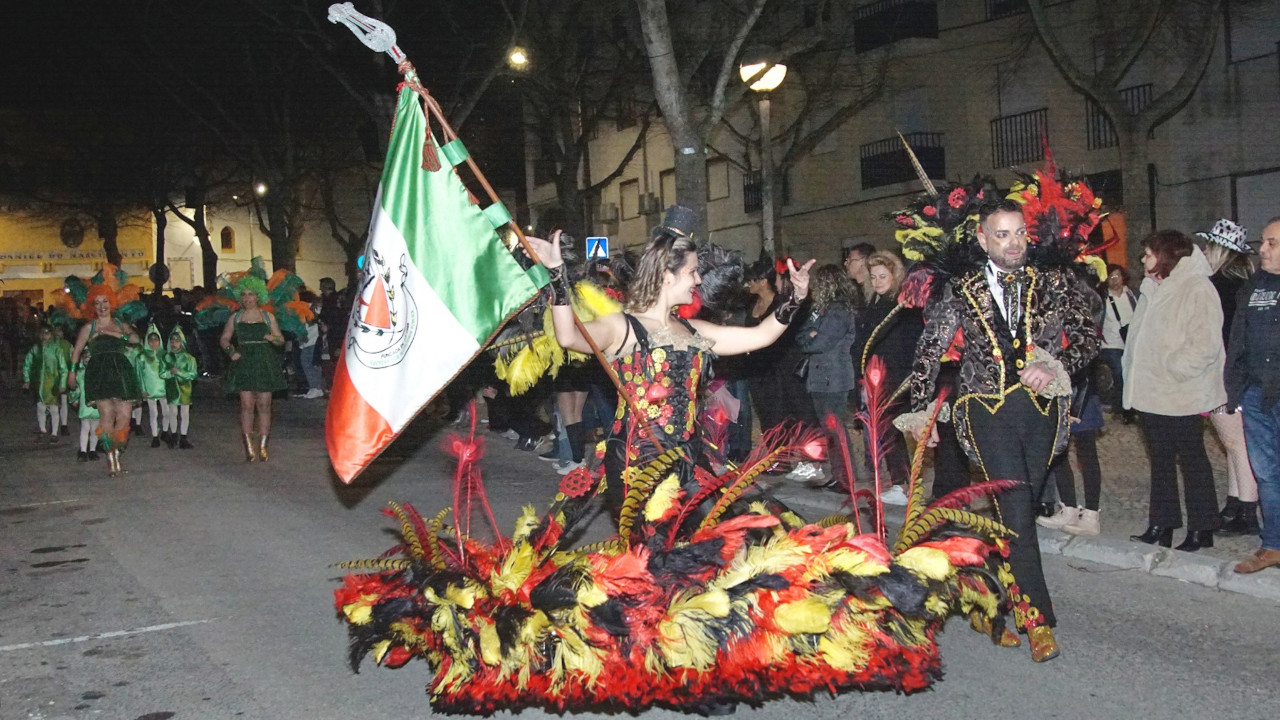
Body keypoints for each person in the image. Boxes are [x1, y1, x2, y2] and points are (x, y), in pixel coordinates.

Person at [898, 196, 1099, 663]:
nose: (1013, 243)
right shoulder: (962, 288)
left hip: (1041, 409)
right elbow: (929, 351)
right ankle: (1039, 623)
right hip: (982, 408)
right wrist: (922, 414)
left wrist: (1055, 366)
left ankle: (983, 599)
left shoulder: (1053, 282)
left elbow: (1088, 337)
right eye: (1002, 234)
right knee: (1015, 506)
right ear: (984, 239)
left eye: (1019, 233)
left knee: (1017, 512)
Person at [525, 205, 814, 523]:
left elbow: (762, 336)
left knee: (715, 540)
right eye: (692, 271)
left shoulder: (694, 330)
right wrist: (556, 277)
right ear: (667, 276)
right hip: (639, 462)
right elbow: (567, 336)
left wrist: (795, 298)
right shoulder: (622, 327)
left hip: (690, 456)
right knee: (657, 555)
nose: (699, 279)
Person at [1122, 230, 1225, 552]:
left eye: (1148, 254)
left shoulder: (1197, 288)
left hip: (1181, 393)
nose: (1142, 260)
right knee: (1161, 462)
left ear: (1166, 255)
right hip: (1152, 393)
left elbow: (1206, 343)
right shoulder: (1152, 288)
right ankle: (1162, 524)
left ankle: (1202, 528)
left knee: (1193, 460)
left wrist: (1173, 367)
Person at [1198, 219, 1261, 537]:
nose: (1204, 252)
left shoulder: (1217, 287)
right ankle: (1235, 505)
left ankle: (1247, 513)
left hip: (1225, 375)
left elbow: (1218, 338)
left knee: (1236, 445)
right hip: (1237, 373)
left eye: (1208, 247)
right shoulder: (1244, 285)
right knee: (1235, 444)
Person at [1224, 215, 1280, 574]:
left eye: (1271, 243)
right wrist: (1237, 386)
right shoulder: (1252, 286)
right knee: (1266, 471)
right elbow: (1238, 337)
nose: (1262, 249)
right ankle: (1273, 544)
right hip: (1258, 395)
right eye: (1264, 241)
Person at [856, 250, 923, 503]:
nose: (877, 282)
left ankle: (905, 484)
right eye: (873, 277)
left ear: (895, 275)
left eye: (882, 276)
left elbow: (910, 345)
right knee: (887, 429)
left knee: (897, 429)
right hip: (877, 377)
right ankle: (901, 481)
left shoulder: (904, 306)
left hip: (898, 376)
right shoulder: (876, 303)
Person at [795, 264, 860, 490]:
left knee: (836, 429)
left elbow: (821, 342)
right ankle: (839, 474)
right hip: (822, 377)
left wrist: (812, 337)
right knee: (829, 429)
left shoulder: (839, 311)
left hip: (834, 377)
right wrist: (810, 336)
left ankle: (846, 478)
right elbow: (803, 334)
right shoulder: (824, 309)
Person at [69, 286, 142, 477]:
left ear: (112, 302)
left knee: (125, 415)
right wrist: (71, 374)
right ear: (92, 306)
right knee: (107, 414)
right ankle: (112, 459)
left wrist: (114, 334)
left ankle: (116, 450)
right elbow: (76, 351)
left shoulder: (119, 323)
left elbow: (135, 339)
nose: (102, 306)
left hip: (121, 370)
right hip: (99, 371)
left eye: (105, 301)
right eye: (97, 302)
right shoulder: (88, 327)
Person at [220, 276, 287, 461]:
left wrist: (272, 338)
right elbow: (224, 338)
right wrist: (230, 351)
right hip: (244, 362)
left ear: (258, 296)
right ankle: (249, 447)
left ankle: (263, 447)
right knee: (246, 405)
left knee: (265, 405)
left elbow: (281, 339)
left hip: (264, 362)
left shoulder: (268, 316)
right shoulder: (235, 317)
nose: (247, 298)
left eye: (251, 294)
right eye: (244, 295)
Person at [1099, 263, 1136, 420]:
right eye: (1111, 276)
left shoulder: (1131, 295)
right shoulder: (1103, 298)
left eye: (1117, 276)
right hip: (1111, 344)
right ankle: (1123, 409)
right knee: (1120, 373)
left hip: (1131, 341)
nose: (1114, 280)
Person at [22, 325, 68, 444]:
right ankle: (42, 429)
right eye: (42, 333)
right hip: (38, 382)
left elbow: (63, 368)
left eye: (47, 334)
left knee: (53, 408)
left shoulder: (56, 349)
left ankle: (54, 433)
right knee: (40, 406)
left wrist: (62, 383)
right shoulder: (35, 349)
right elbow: (27, 364)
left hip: (52, 382)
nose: (44, 336)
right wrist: (27, 380)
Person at [132, 323, 169, 448]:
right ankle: (154, 436)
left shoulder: (165, 354)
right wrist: (142, 389)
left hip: (164, 388)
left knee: (166, 411)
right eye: (151, 341)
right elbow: (139, 374)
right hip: (150, 389)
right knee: (154, 413)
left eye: (156, 340)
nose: (154, 343)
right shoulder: (142, 356)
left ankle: (165, 431)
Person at [161, 326, 198, 449]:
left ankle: (183, 437)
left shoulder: (189, 358)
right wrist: (170, 373)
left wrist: (179, 372)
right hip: (172, 388)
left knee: (185, 413)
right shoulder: (166, 357)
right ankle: (173, 435)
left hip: (185, 389)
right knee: (173, 411)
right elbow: (161, 373)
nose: (174, 344)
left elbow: (192, 374)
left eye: (177, 341)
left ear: (182, 342)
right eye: (172, 341)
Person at [70, 350, 100, 462]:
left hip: (97, 404)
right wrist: (73, 397)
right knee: (85, 427)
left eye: (90, 358)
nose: (87, 360)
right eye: (85, 358)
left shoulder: (99, 373)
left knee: (95, 428)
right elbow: (76, 388)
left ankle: (92, 450)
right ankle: (83, 450)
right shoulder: (80, 374)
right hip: (84, 403)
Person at [52, 325, 73, 435]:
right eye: (55, 330)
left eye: (59, 330)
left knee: (64, 400)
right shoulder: (49, 344)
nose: (57, 333)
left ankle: (64, 425)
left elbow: (72, 358)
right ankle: (53, 422)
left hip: (64, 376)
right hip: (52, 377)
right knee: (52, 401)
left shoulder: (67, 345)